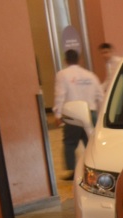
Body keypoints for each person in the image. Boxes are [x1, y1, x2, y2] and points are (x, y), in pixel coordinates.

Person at [52, 49, 104, 177]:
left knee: (70, 143)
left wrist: (57, 114)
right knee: (91, 144)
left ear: (65, 60)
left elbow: (60, 95)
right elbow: (100, 96)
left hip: (72, 113)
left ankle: (73, 171)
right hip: (90, 112)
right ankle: (94, 168)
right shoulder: (90, 75)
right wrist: (101, 114)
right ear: (80, 60)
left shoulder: (62, 74)